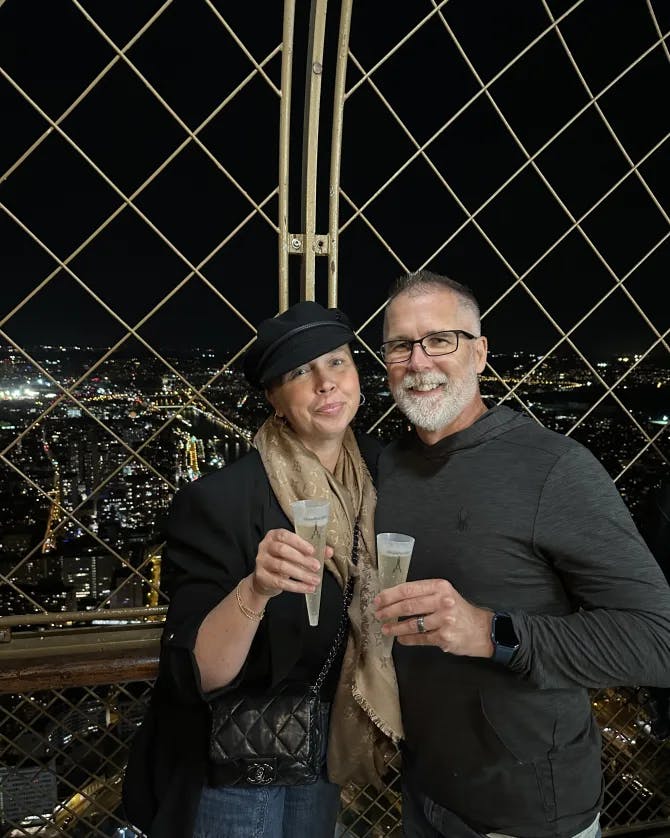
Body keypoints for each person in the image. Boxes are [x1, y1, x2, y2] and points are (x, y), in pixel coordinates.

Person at [372, 270, 670, 838]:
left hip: (530, 812)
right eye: (400, 345)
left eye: (441, 340)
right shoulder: (388, 468)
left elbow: (660, 639)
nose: (418, 361)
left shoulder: (555, 469)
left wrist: (492, 632)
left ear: (480, 352)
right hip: (422, 794)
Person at [123, 301, 401, 838]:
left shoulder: (383, 475)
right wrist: (257, 588)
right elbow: (195, 674)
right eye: (300, 371)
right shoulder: (221, 501)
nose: (325, 383)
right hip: (231, 755)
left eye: (337, 362)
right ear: (274, 399)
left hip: (324, 740)